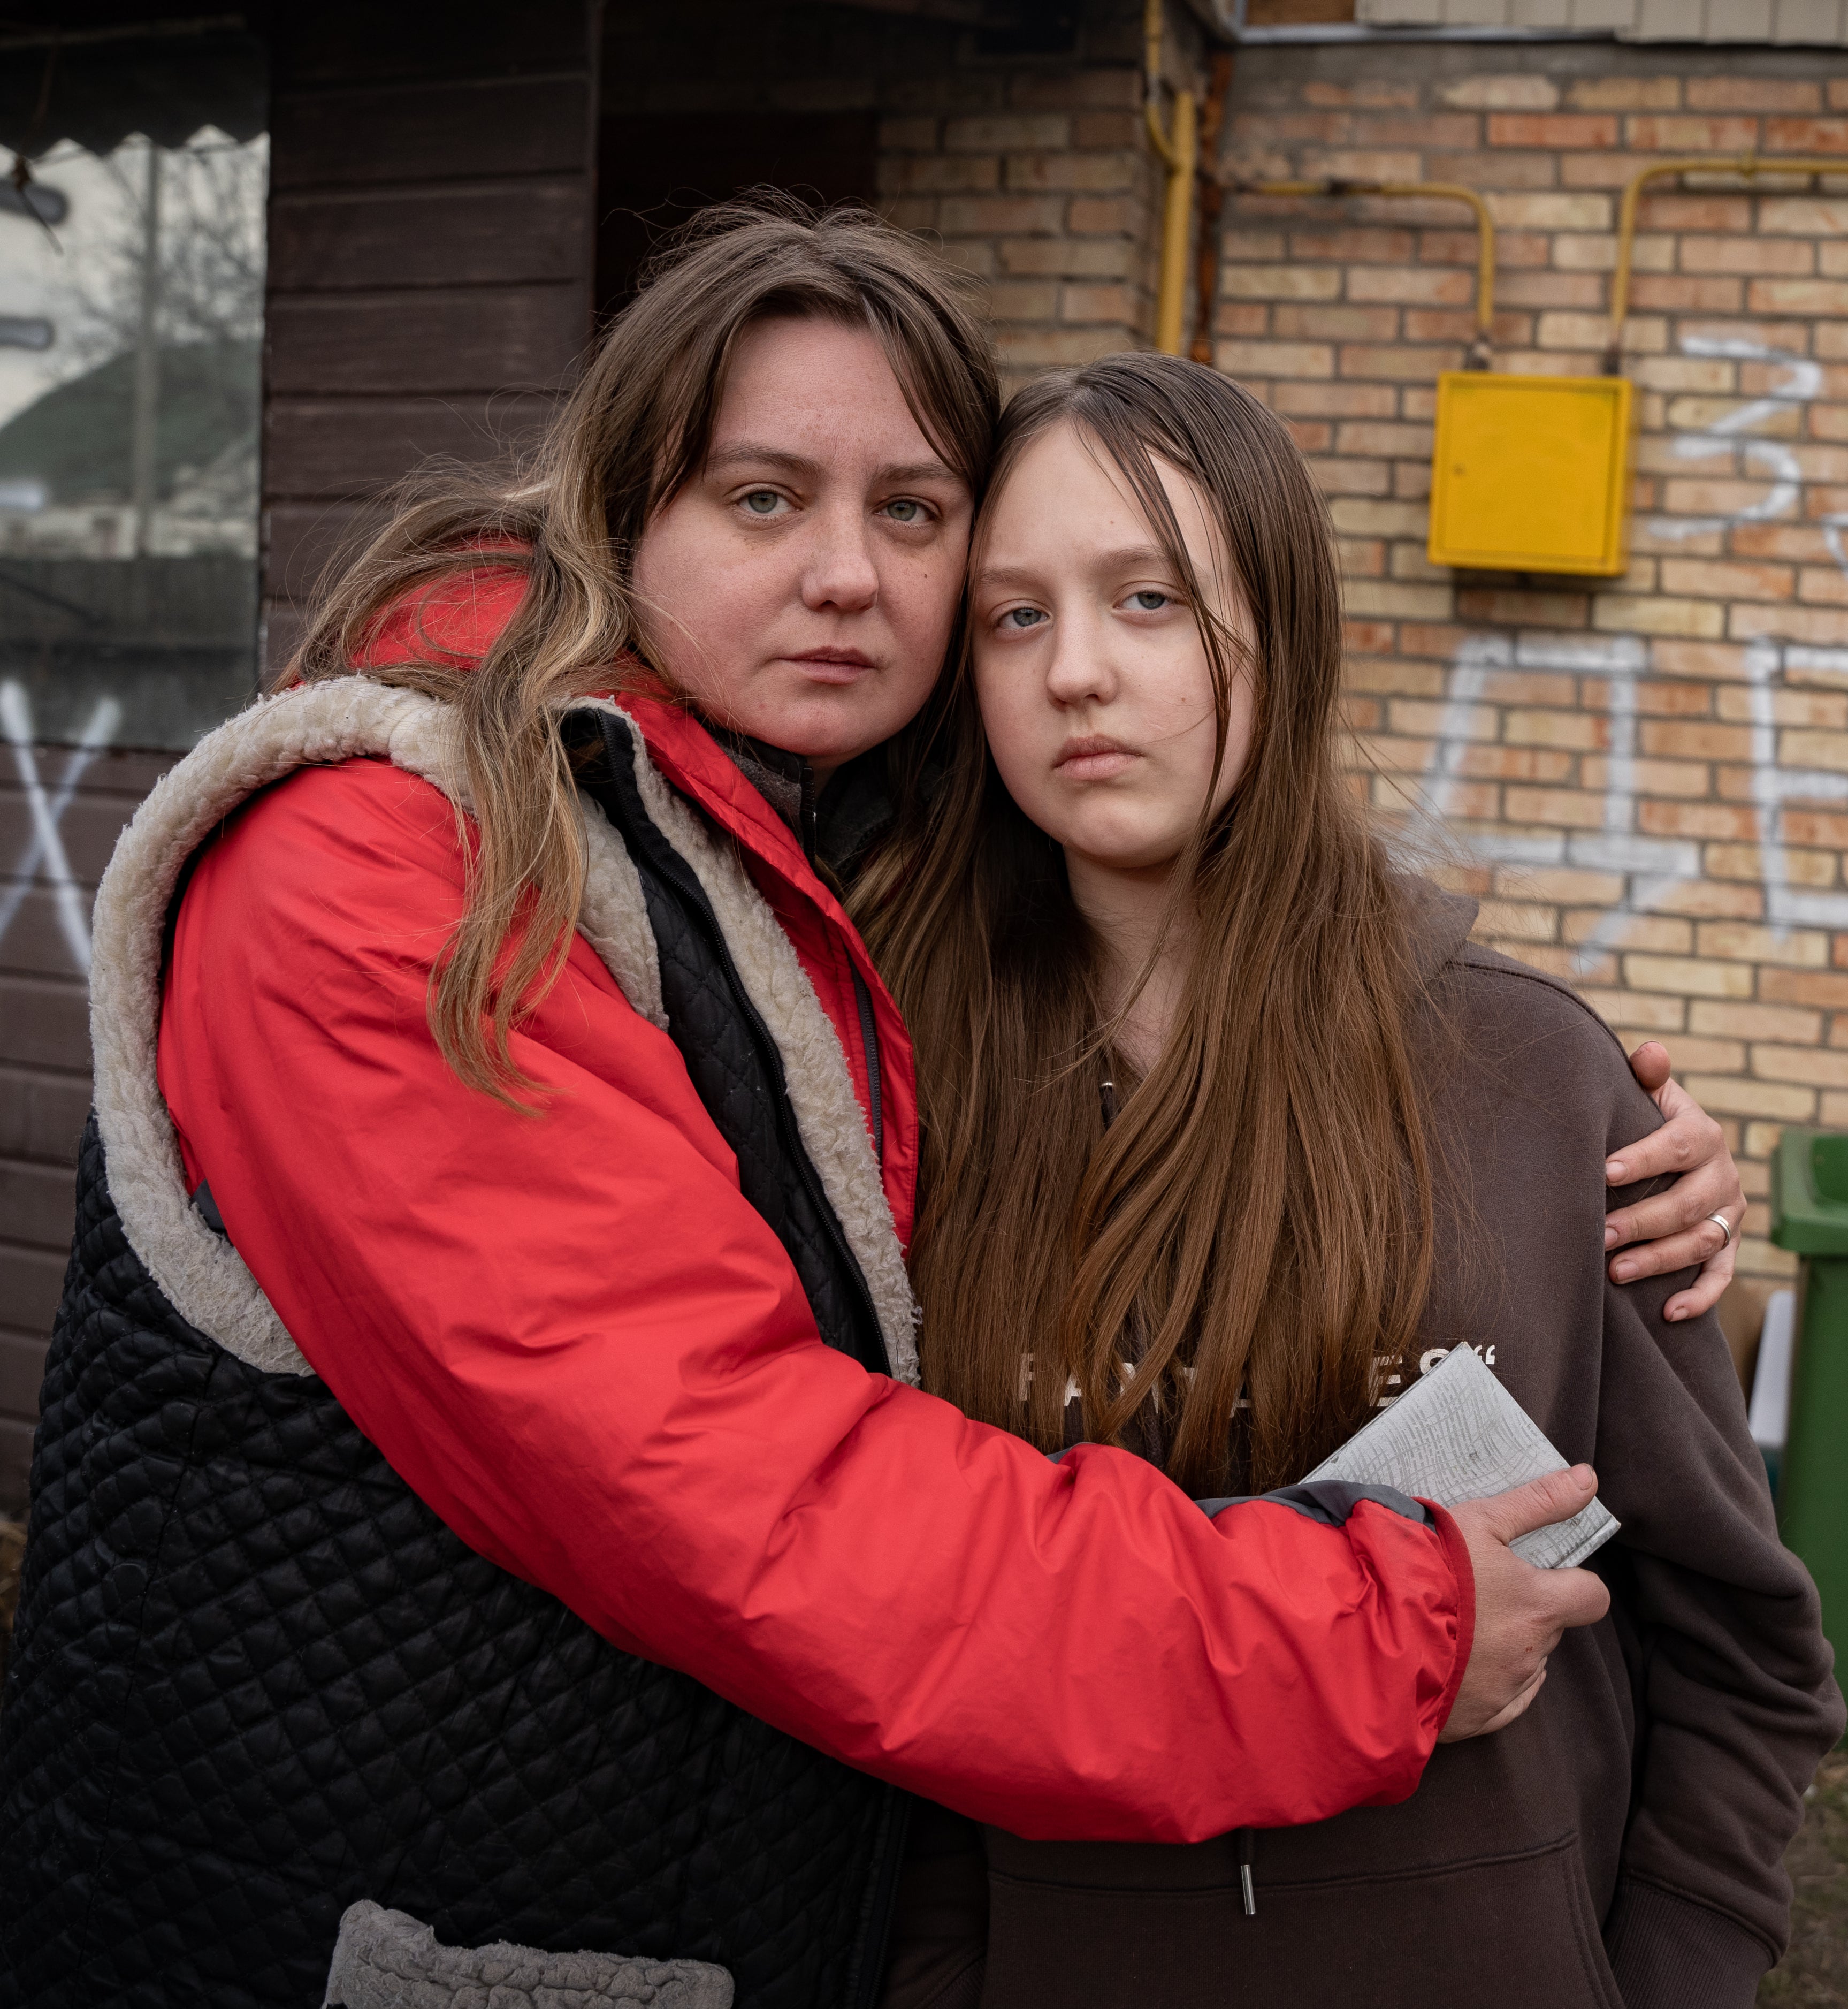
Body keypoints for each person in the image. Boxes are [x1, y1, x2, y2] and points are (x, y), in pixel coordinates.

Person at [0, 202, 1747, 2008]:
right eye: (764, 497)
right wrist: (1373, 1626)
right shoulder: (388, 855)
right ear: (620, 511)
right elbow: (751, 1491)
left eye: (911, 512)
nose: (848, 572)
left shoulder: (811, 882)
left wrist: (1561, 1118)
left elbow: (1732, 1641)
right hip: (351, 1930)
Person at [873, 353, 1843, 2009]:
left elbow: (1736, 1640)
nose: (1078, 673)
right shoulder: (892, 1086)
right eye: (1013, 617)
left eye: (1151, 599)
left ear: (1286, 627)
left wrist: (1676, 1975)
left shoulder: (1529, 1080)